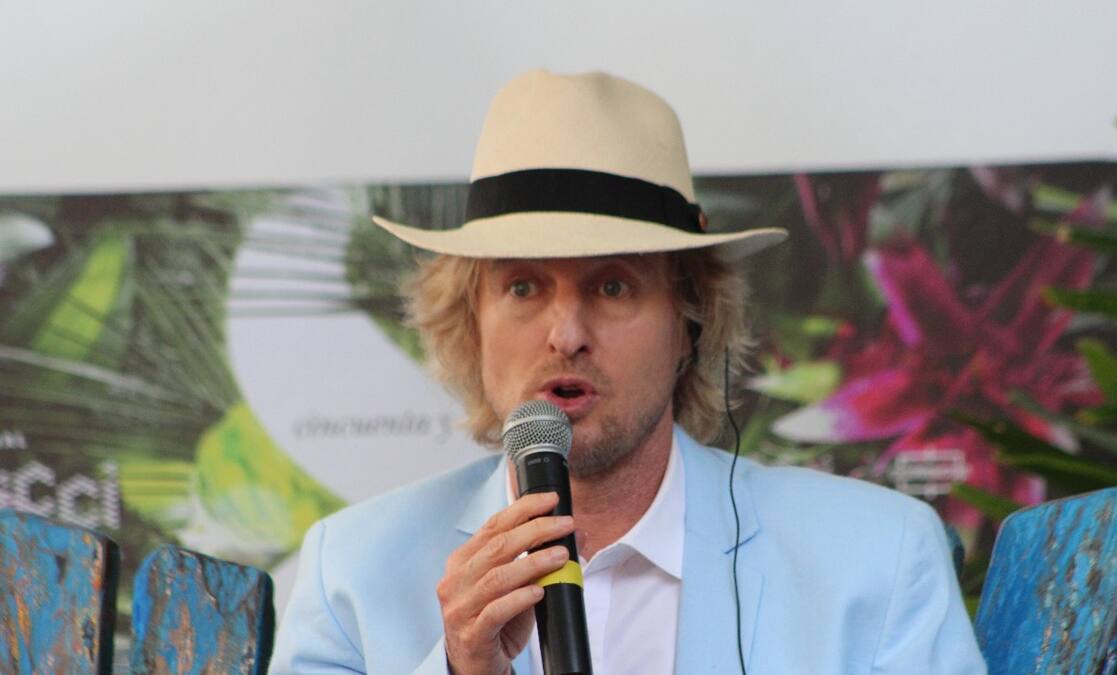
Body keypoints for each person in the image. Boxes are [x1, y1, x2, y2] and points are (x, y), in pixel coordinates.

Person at [270, 69, 986, 674]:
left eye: (613, 286)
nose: (566, 335)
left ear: (690, 321)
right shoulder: (354, 573)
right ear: (470, 322)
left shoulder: (877, 558)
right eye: (523, 287)